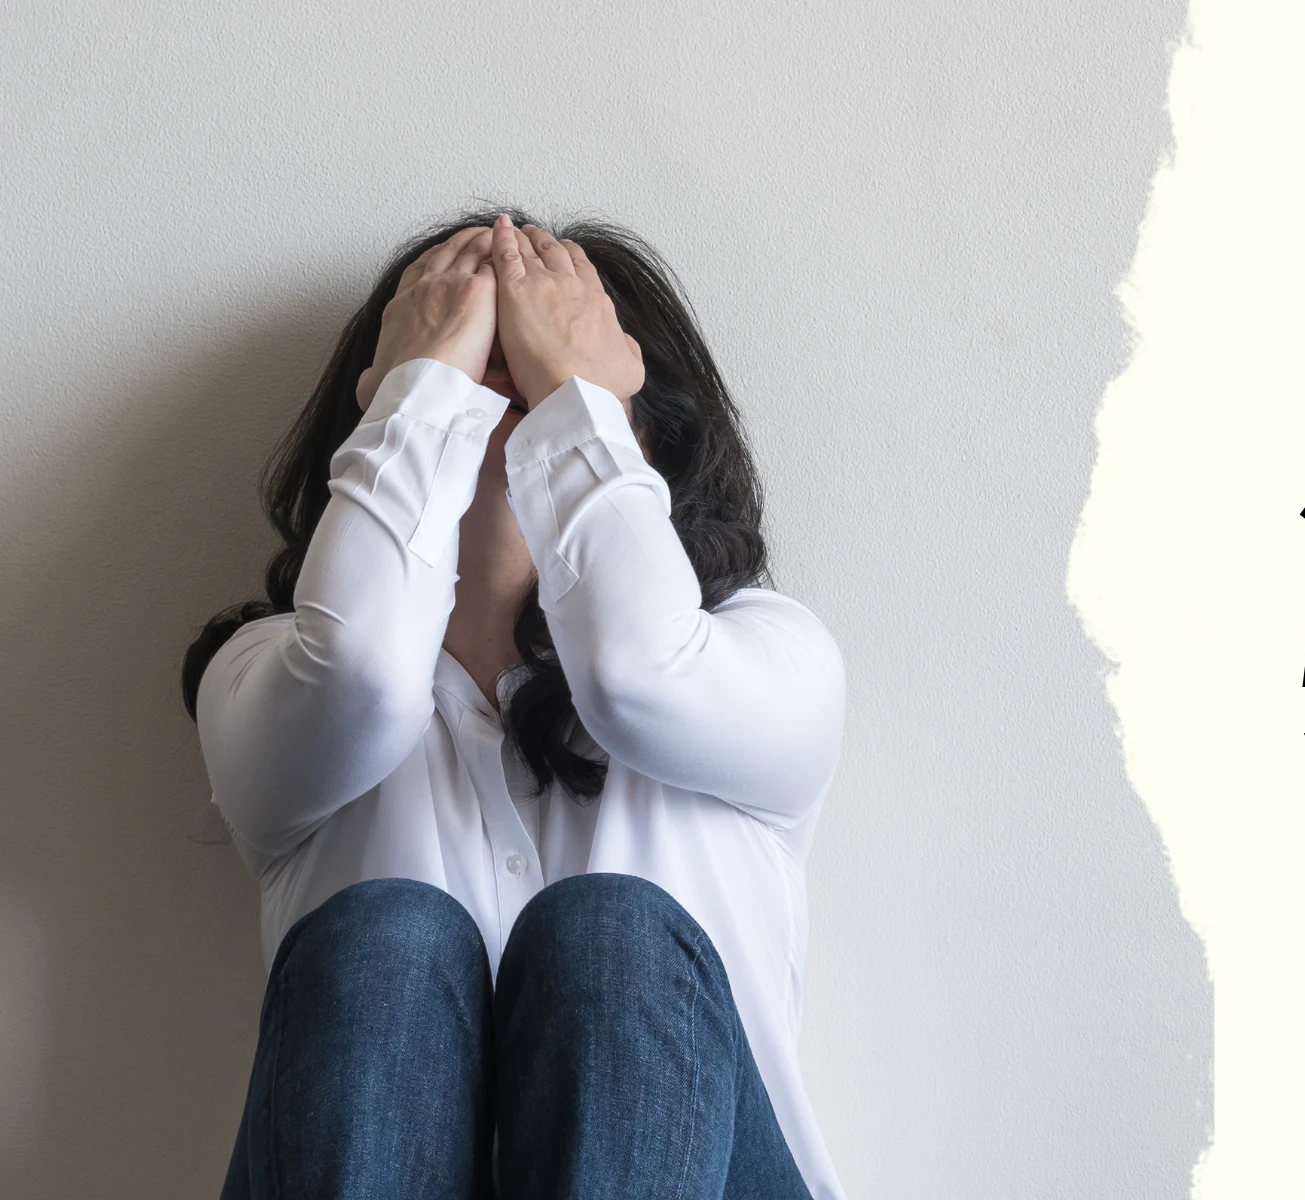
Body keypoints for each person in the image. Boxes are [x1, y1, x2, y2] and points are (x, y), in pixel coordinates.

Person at [182, 211, 845, 1199]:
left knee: (610, 938)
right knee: (386, 943)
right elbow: (359, 671)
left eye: (549, 359)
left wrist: (573, 404)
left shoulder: (770, 653)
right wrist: (423, 403)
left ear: (639, 425)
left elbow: (637, 674)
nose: (508, 387)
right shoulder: (260, 673)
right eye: (467, 358)